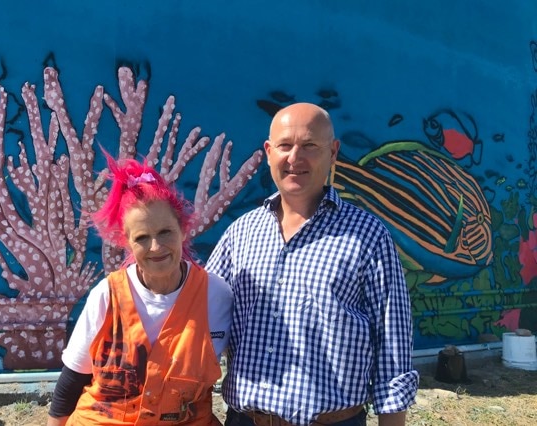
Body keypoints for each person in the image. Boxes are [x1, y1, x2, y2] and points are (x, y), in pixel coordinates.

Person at [206, 103, 418, 426]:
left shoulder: (368, 237)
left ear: (333, 153)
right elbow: (196, 314)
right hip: (246, 420)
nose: (295, 158)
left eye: (309, 146)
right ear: (268, 151)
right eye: (285, 146)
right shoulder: (240, 234)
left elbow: (393, 349)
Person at [47, 156, 233, 425]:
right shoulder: (107, 295)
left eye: (165, 232)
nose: (156, 247)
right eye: (142, 238)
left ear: (183, 230)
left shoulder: (216, 296)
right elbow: (72, 380)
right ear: (127, 242)